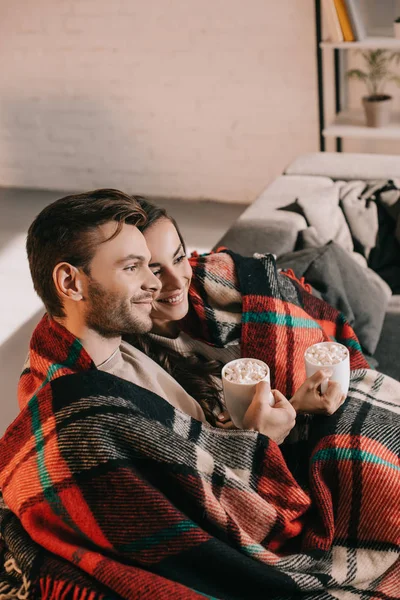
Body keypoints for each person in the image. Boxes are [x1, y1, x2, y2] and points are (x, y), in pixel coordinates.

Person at [0, 190, 398, 600]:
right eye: (134, 267)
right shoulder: (82, 413)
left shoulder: (128, 349)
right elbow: (225, 516)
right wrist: (261, 440)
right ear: (70, 282)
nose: (155, 283)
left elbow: (195, 451)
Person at [127, 197, 346, 427]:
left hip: (326, 362)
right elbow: (234, 443)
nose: (177, 280)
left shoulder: (214, 280)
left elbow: (314, 327)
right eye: (156, 271)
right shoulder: (143, 368)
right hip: (293, 429)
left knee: (329, 262)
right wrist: (296, 406)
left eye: (179, 258)